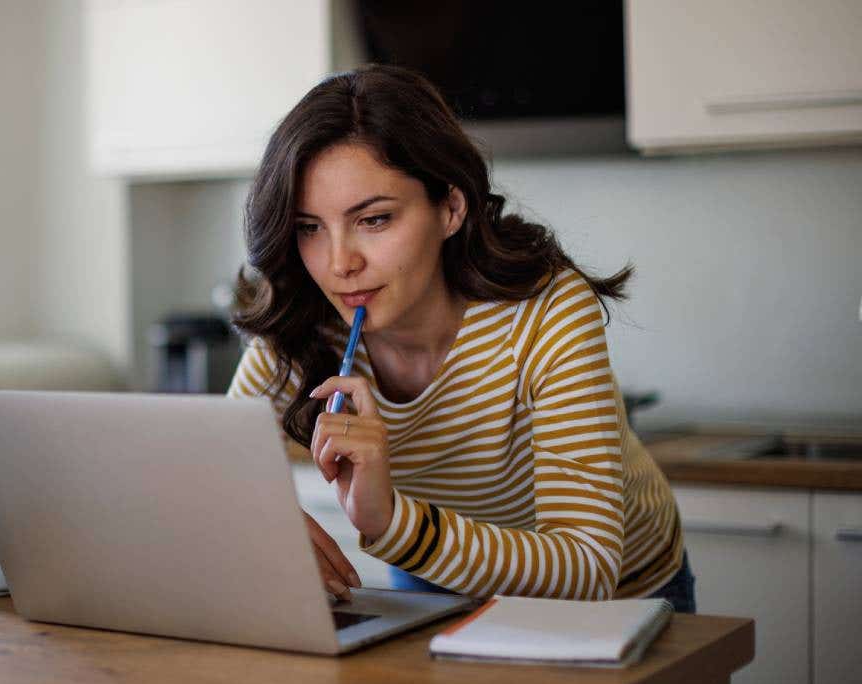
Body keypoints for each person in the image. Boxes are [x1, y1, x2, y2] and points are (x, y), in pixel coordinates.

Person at [226, 65, 695, 613]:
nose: (339, 264)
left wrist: (393, 524)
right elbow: (214, 473)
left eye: (374, 220)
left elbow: (587, 565)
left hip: (621, 596)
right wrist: (263, 520)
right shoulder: (305, 317)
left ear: (450, 208)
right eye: (309, 227)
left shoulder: (546, 310)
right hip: (438, 576)